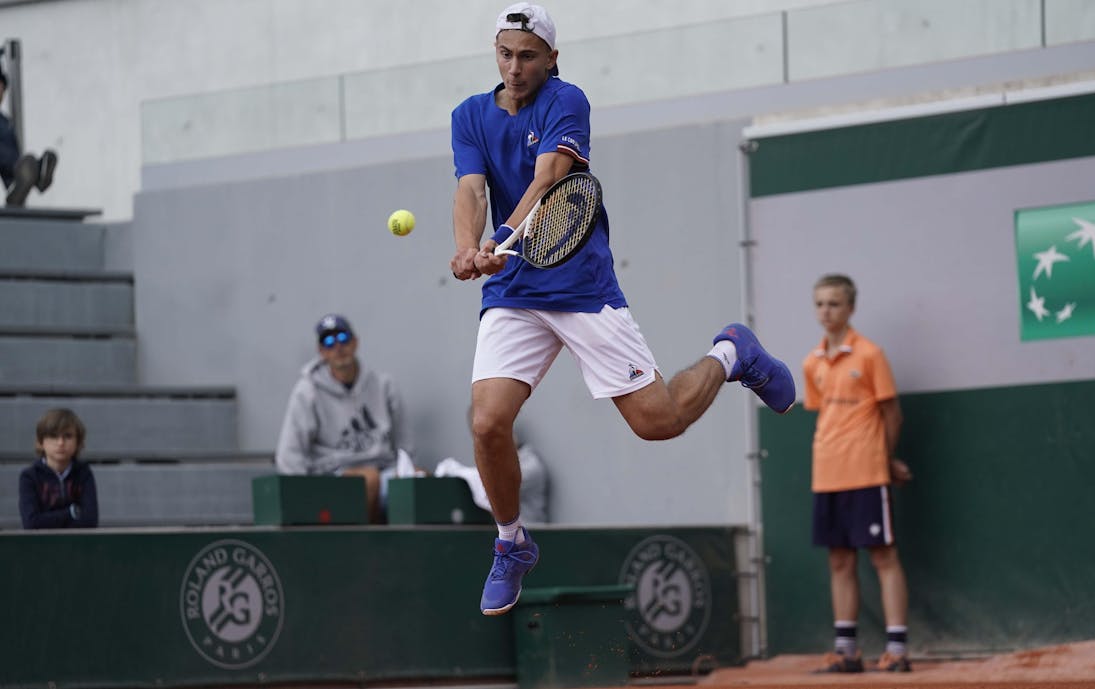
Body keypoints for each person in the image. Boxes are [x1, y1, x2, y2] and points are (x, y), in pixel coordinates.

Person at [449, 2, 796, 616]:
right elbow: (470, 189)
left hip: (579, 284)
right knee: (486, 423)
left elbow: (548, 178)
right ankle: (511, 543)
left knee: (658, 422)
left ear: (552, 58)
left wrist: (498, 240)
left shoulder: (568, 101)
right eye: (505, 54)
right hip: (513, 293)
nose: (515, 67)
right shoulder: (469, 115)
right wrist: (465, 248)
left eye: (527, 56)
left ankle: (732, 352)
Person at [801, 274, 914, 673]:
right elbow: (824, 415)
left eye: (834, 303)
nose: (826, 311)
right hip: (827, 474)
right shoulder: (811, 362)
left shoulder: (870, 355)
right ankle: (847, 651)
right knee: (839, 561)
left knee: (883, 556)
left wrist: (885, 460)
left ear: (850, 308)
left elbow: (892, 415)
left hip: (866, 472)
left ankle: (897, 650)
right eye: (820, 304)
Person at [275, 314, 406, 523]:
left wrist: (408, 471)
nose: (338, 347)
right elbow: (289, 455)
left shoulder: (384, 385)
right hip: (331, 478)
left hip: (383, 471)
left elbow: (405, 445)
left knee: (418, 480)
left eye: (343, 338)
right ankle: (364, 541)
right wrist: (303, 502)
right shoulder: (307, 391)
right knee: (368, 480)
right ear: (321, 351)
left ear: (355, 342)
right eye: (328, 342)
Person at [19, 408, 99, 529]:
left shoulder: (84, 473)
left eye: (68, 436)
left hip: (77, 540)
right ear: (41, 442)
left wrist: (47, 519)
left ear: (78, 442)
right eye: (53, 436)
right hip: (42, 541)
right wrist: (71, 512)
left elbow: (90, 521)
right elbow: (31, 523)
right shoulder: (29, 476)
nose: (60, 443)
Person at [0, 69, 57, 207]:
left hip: (11, 171)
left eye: (2, 89)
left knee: (26, 164)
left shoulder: (6, 123)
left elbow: (12, 154)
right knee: (21, 164)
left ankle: (35, 173)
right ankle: (27, 178)